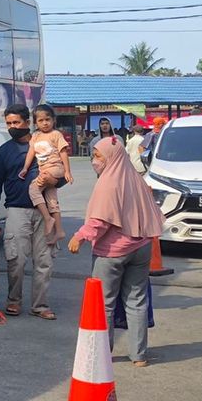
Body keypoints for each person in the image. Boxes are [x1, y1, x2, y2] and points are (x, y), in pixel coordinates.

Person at [68, 137, 165, 367]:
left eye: (98, 155)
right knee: (137, 302)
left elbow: (101, 221)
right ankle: (139, 355)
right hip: (140, 247)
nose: (94, 160)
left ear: (112, 156)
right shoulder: (135, 178)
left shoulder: (109, 183)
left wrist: (79, 236)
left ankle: (103, 354)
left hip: (111, 253)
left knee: (105, 305)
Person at [0, 104, 62, 320]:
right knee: (16, 260)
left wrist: (55, 180)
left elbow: (63, 176)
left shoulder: (46, 144)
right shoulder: (4, 151)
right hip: (17, 210)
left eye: (16, 122)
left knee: (44, 261)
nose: (12, 127)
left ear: (28, 123)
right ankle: (14, 301)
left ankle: (40, 306)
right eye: (8, 123)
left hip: (45, 212)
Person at [19, 104, 73, 243]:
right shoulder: (36, 136)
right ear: (35, 122)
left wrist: (67, 171)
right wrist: (25, 168)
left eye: (47, 119)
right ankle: (59, 231)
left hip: (55, 168)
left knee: (33, 188)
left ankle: (48, 219)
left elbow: (63, 152)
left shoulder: (56, 134)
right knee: (52, 200)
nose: (45, 123)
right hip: (45, 169)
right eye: (41, 120)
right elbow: (31, 152)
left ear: (54, 120)